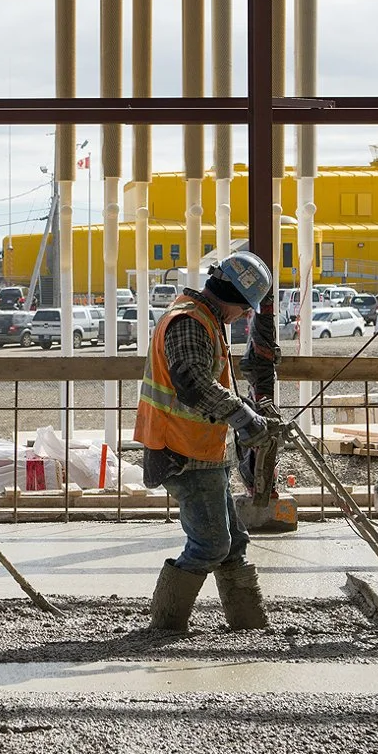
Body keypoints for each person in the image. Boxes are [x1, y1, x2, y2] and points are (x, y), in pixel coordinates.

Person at [133, 250, 285, 632]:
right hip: (180, 449)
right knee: (211, 544)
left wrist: (245, 411)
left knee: (232, 541)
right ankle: (166, 623)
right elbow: (193, 383)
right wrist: (242, 414)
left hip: (200, 447)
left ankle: (248, 622)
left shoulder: (204, 318)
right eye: (246, 307)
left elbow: (207, 385)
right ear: (232, 296)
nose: (246, 315)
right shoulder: (189, 322)